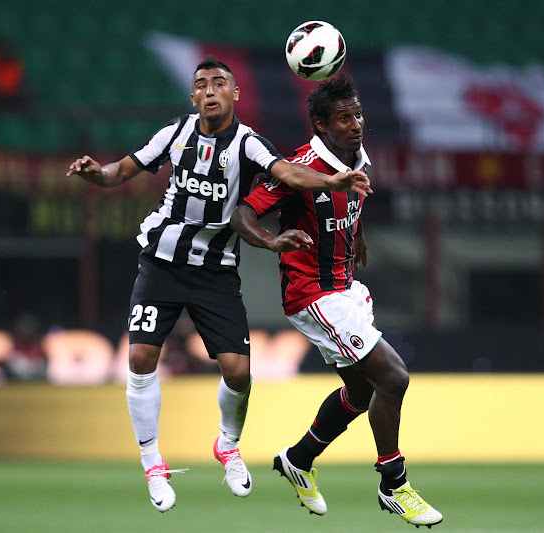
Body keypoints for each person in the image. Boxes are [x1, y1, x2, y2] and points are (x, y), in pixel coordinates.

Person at [65, 56, 371, 513]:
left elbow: (287, 173)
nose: (210, 90)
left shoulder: (249, 143)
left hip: (216, 268)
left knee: (239, 371)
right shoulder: (174, 133)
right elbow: (120, 171)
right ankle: (152, 463)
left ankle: (227, 445)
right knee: (141, 357)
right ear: (193, 96)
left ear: (235, 94)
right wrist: (96, 173)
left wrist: (331, 180)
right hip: (162, 261)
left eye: (219, 83)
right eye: (202, 84)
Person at [230, 74, 443, 528]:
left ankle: (298, 459)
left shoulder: (356, 157)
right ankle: (394, 484)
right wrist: (270, 241)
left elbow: (350, 198)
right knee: (394, 378)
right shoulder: (298, 168)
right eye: (344, 118)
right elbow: (242, 214)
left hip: (345, 288)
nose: (356, 124)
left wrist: (357, 233)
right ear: (321, 126)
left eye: (358, 114)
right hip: (314, 294)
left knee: (362, 390)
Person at [0, 313, 48, 382]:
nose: (26, 334)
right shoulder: (16, 346)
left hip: (35, 380)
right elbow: (9, 366)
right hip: (16, 381)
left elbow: (42, 368)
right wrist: (4, 364)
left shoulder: (38, 347)